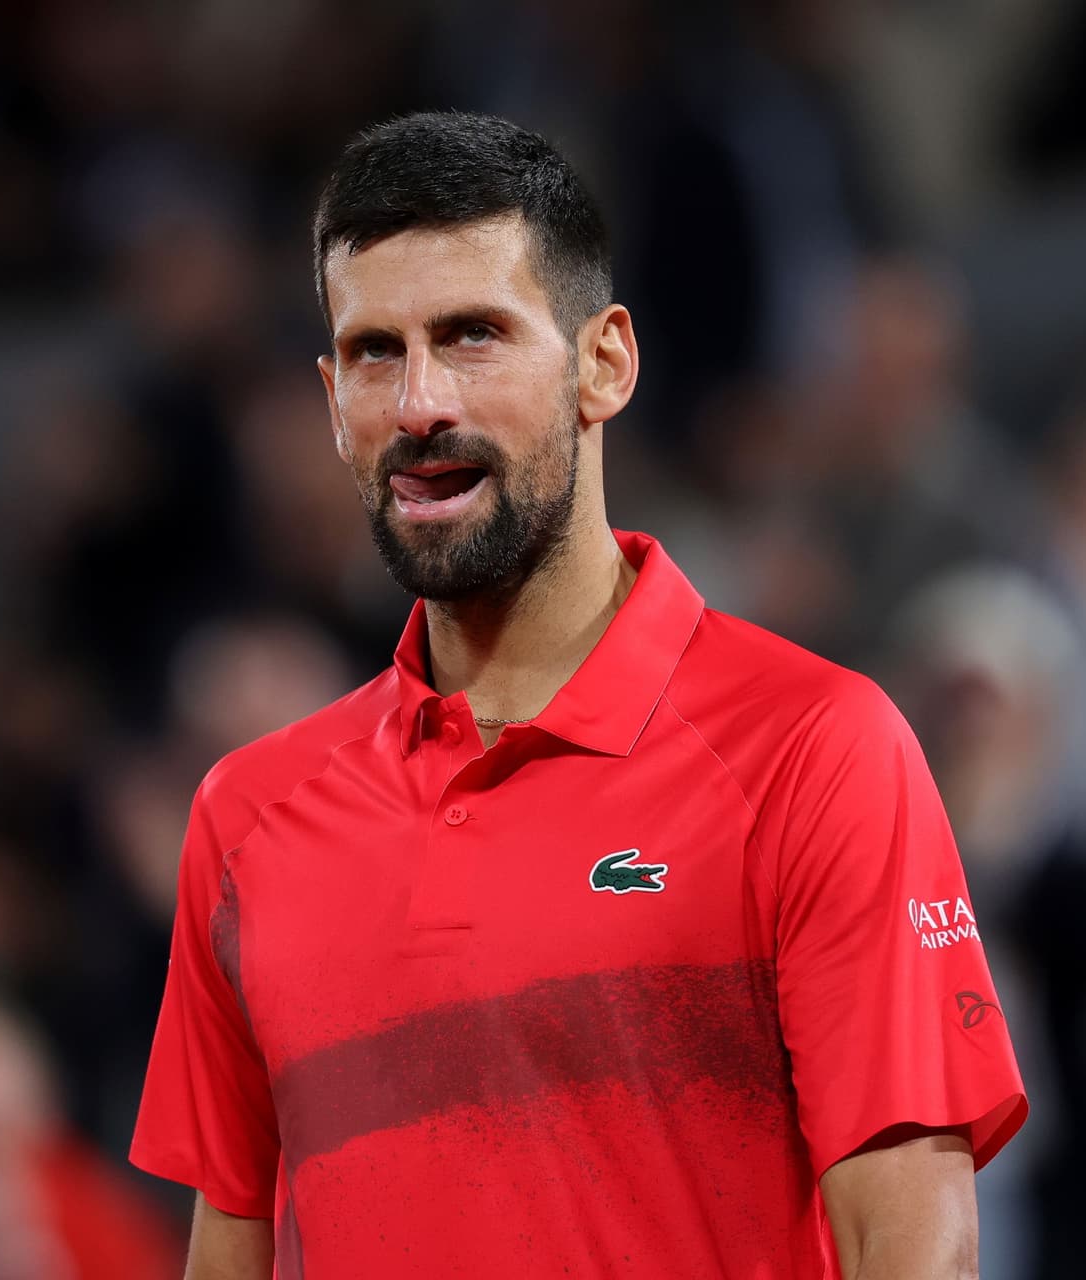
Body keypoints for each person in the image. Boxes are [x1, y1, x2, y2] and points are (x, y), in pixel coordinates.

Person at [130, 111, 1027, 1279]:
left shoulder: (814, 749)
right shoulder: (245, 819)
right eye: (372, 352)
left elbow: (911, 1245)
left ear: (605, 362)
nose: (418, 405)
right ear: (330, 395)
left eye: (473, 336)